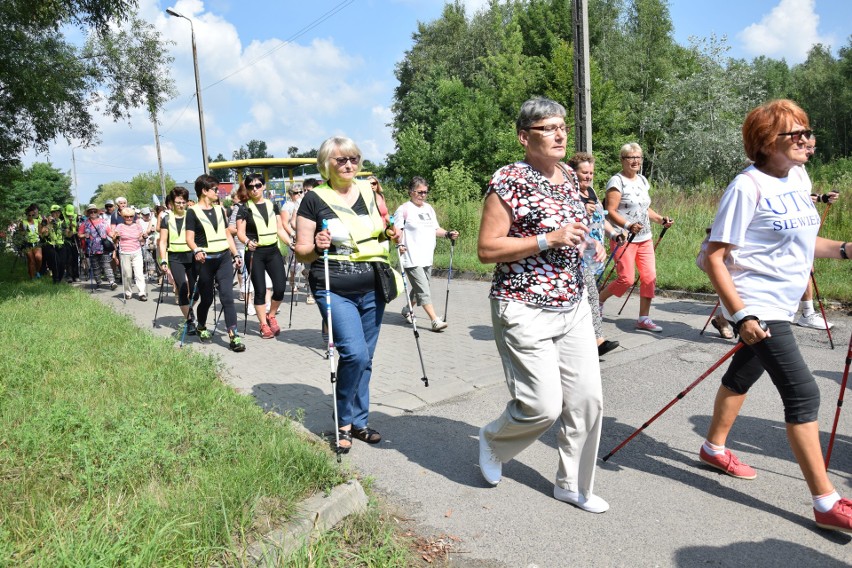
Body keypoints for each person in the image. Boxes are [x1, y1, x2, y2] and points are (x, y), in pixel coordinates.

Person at [699, 99, 851, 533]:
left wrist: (844, 249)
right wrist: (741, 314)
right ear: (767, 142)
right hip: (758, 303)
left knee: (742, 374)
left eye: (808, 131)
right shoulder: (747, 187)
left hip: (781, 302)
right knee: (803, 394)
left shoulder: (799, 177)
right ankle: (826, 500)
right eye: (796, 133)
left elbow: (805, 241)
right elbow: (714, 257)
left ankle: (713, 448)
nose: (807, 140)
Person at [476, 97, 609, 513]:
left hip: (572, 304)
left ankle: (573, 484)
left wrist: (591, 244)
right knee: (541, 406)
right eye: (548, 128)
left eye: (563, 127)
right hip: (522, 304)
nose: (560, 133)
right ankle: (494, 441)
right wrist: (545, 240)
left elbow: (575, 227)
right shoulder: (508, 180)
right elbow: (486, 249)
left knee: (588, 400)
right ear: (524, 137)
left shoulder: (569, 175)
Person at [294, 136, 400, 453]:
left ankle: (359, 422)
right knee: (354, 354)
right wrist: (317, 245)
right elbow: (301, 251)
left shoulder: (369, 191)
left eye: (353, 157)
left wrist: (390, 231)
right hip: (333, 285)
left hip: (373, 285)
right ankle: (342, 420)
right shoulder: (314, 199)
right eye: (341, 160)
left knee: (365, 359)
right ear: (327, 164)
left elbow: (380, 228)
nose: (349, 164)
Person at [597, 143, 674, 332]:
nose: (635, 161)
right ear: (622, 160)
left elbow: (643, 208)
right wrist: (627, 225)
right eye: (630, 157)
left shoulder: (642, 180)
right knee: (626, 279)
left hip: (644, 237)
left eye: (638, 157)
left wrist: (660, 219)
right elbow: (610, 211)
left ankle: (644, 319)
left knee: (649, 277)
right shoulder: (616, 182)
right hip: (624, 237)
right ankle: (598, 300)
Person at [567, 152, 623, 356]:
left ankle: (579, 341)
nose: (588, 176)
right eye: (584, 172)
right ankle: (597, 341)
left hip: (593, 256)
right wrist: (583, 212)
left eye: (591, 172)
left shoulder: (590, 191)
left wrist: (615, 233)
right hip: (576, 255)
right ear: (573, 173)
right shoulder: (569, 194)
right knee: (591, 296)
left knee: (582, 298)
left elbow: (601, 218)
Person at [185, 174, 246, 352]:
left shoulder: (220, 210)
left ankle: (234, 336)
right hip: (205, 261)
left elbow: (227, 233)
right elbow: (189, 238)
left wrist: (235, 254)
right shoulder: (192, 211)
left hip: (223, 258)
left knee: (227, 297)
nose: (218, 192)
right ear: (204, 191)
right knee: (207, 299)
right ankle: (202, 326)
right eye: (215, 189)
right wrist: (197, 250)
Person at [394, 176, 457, 332]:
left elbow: (436, 230)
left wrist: (448, 233)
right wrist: (399, 245)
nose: (423, 195)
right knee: (423, 289)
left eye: (425, 192)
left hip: (426, 256)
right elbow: (397, 232)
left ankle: (407, 310)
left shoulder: (429, 209)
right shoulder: (403, 209)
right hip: (411, 257)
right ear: (411, 192)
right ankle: (435, 320)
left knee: (420, 288)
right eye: (420, 192)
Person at [236, 173, 290, 339]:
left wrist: (290, 243)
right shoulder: (244, 208)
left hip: (273, 251)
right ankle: (263, 325)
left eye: (258, 185)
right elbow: (240, 233)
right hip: (255, 253)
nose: (255, 189)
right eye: (251, 186)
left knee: (280, 288)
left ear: (264, 186)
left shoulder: (272, 205)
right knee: (259, 290)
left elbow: (280, 229)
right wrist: (247, 242)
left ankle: (271, 315)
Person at [795, 135, 838, 330]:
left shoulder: (800, 168)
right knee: (804, 269)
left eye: (813, 148)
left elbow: (804, 195)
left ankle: (806, 312)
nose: (812, 151)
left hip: (802, 228)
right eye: (808, 147)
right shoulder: (780, 169)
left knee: (806, 268)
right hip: (789, 230)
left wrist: (821, 197)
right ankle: (807, 313)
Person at [158, 187, 197, 334]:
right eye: (178, 202)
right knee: (182, 287)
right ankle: (189, 320)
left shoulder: (192, 216)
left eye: (183, 202)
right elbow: (162, 241)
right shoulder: (166, 219)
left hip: (191, 256)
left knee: (196, 290)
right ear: (172, 203)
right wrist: (163, 260)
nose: (181, 205)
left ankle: (189, 308)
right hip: (175, 257)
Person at [111, 207, 147, 301]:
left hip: (136, 251)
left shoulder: (137, 226)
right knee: (127, 274)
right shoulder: (120, 226)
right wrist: (116, 237)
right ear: (123, 217)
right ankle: (128, 292)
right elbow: (114, 240)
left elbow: (141, 239)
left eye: (131, 216)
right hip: (124, 252)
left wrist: (144, 237)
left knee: (139, 273)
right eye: (127, 217)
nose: (129, 218)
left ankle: (142, 293)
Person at [78, 204, 117, 289]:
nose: (93, 213)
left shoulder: (103, 222)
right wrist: (85, 235)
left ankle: (112, 282)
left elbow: (109, 232)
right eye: (90, 211)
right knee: (95, 267)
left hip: (103, 247)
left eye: (94, 211)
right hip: (91, 248)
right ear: (88, 213)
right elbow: (79, 235)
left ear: (97, 212)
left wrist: (115, 236)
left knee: (106, 265)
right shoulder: (84, 224)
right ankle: (98, 281)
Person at [19, 204, 45, 280]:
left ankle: (37, 271)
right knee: (31, 261)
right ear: (26, 215)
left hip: (37, 242)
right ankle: (32, 277)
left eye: (32, 215)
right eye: (29, 215)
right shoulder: (23, 222)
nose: (30, 216)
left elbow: (40, 233)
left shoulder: (37, 222)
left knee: (39, 258)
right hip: (27, 244)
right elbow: (20, 232)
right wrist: (23, 234)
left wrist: (45, 230)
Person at [43, 205, 67, 283]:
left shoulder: (62, 222)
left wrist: (70, 228)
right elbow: (44, 234)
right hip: (51, 245)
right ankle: (55, 280)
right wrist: (49, 224)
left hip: (61, 244)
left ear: (60, 213)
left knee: (62, 264)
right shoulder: (47, 221)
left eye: (57, 212)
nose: (55, 214)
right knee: (56, 262)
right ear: (51, 213)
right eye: (54, 212)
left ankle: (59, 279)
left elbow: (67, 234)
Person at [63, 204, 80, 283]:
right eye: (68, 213)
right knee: (68, 258)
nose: (70, 215)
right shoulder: (62, 217)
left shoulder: (76, 216)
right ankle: (69, 275)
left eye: (71, 213)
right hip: (66, 238)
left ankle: (76, 275)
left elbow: (78, 227)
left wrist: (76, 227)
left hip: (75, 238)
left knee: (75, 257)